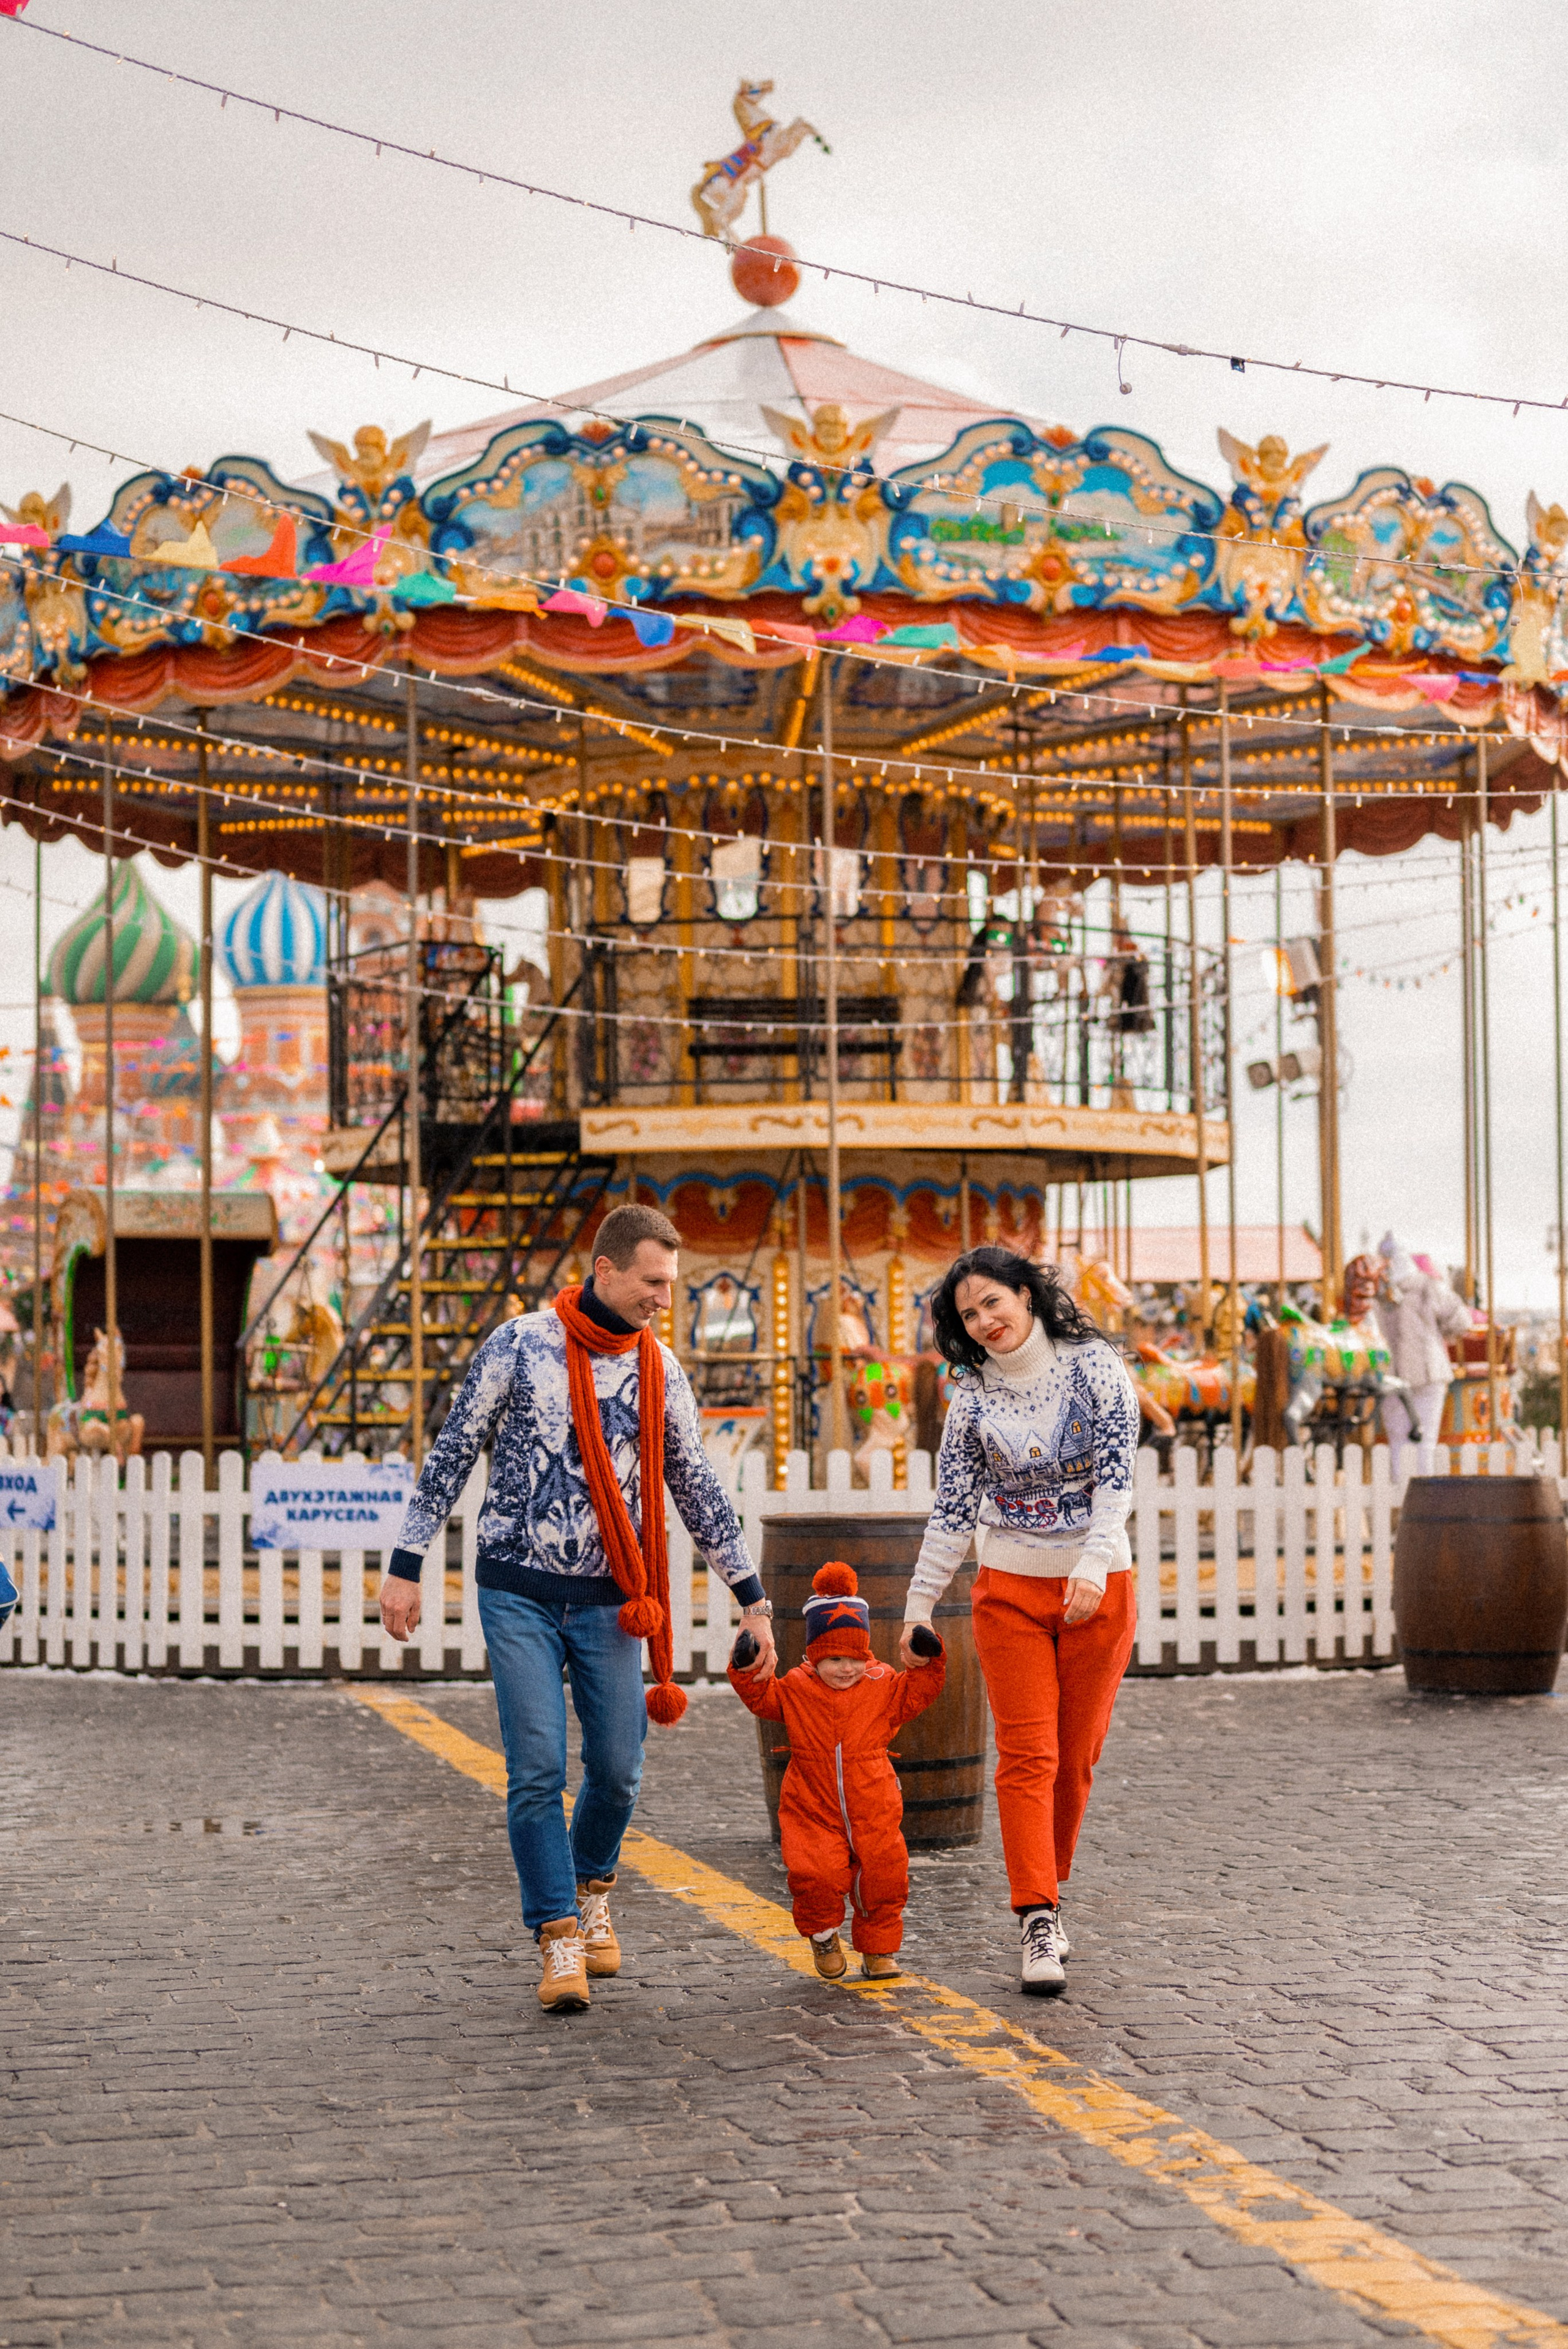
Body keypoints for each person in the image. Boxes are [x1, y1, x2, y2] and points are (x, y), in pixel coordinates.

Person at [379, 1202, 777, 2013]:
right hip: (518, 1588)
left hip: (611, 1601)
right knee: (535, 1768)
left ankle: (594, 1883)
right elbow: (454, 1447)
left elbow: (696, 1486)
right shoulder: (520, 1345)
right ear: (607, 1270)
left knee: (620, 1771)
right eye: (653, 1280)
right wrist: (406, 1563)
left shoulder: (662, 1369)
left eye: (672, 1282)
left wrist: (751, 1596)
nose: (665, 1296)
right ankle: (558, 1932)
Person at [898, 1244, 1140, 1997]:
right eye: (968, 1314)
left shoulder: (1093, 1366)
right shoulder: (970, 1394)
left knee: (1075, 1755)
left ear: (1027, 1295)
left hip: (1098, 1588)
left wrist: (1094, 1564)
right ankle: (1036, 1913)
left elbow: (1116, 1475)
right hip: (1008, 1589)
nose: (984, 1321)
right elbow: (953, 1505)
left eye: (993, 1302)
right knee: (1026, 1754)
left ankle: (1051, 1884)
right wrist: (917, 1602)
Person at [728, 1562, 945, 1981]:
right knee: (815, 1872)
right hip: (811, 1803)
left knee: (884, 1872)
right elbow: (761, 1695)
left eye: (856, 1657)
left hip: (875, 1802)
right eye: (834, 1658)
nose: (847, 1668)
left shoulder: (882, 1683)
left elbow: (919, 1689)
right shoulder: (796, 1687)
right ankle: (824, 1933)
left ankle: (879, 1948)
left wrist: (929, 1656)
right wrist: (746, 1664)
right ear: (813, 1655)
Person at [1375, 1232, 1471, 1468]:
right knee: (1425, 1443)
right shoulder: (1428, 1286)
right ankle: (1421, 1500)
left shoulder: (1375, 1293)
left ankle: (1402, 1499)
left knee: (1398, 1442)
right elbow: (1462, 1321)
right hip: (1428, 1372)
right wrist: (1439, 1332)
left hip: (1391, 1373)